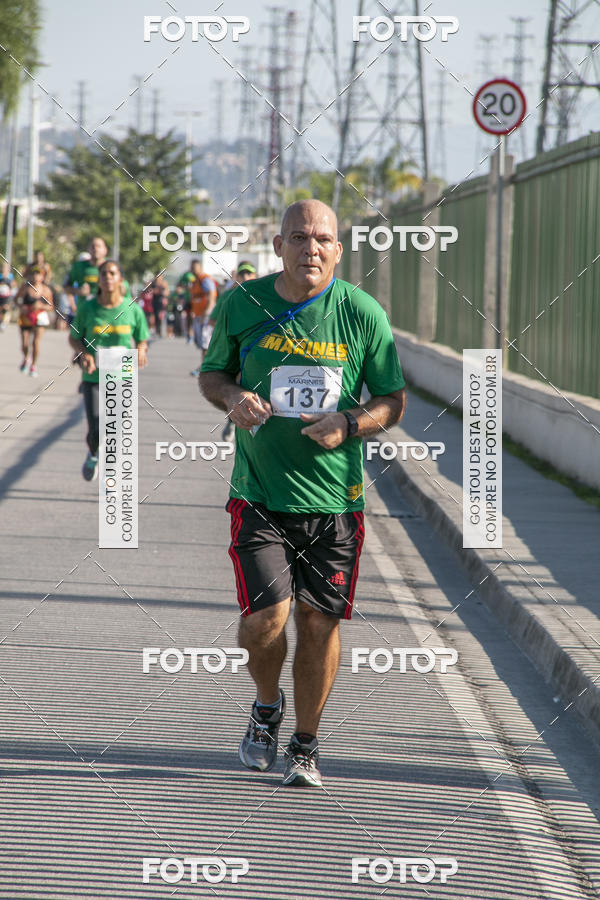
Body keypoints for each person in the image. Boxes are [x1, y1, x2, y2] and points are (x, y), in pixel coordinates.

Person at [199, 199, 406, 787]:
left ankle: (306, 744)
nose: (309, 248)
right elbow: (212, 375)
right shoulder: (243, 303)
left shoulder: (362, 313)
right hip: (259, 495)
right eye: (297, 237)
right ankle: (267, 705)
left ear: (338, 250)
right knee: (266, 620)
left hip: (336, 503)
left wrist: (351, 422)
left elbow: (392, 399)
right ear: (278, 246)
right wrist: (233, 397)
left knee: (319, 623)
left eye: (321, 239)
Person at [69, 260, 149, 481]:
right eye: (103, 273)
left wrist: (142, 350)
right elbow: (74, 338)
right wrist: (85, 354)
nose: (107, 277)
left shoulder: (132, 309)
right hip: (94, 376)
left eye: (112, 273)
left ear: (120, 278)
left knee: (116, 430)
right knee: (96, 429)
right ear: (99, 279)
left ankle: (111, 473)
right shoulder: (88, 308)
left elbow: (142, 338)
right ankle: (93, 453)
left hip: (122, 377)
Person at [209, 261, 258, 442]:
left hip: (258, 347)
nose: (245, 277)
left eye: (249, 274)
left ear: (255, 276)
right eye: (242, 274)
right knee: (238, 384)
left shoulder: (263, 295)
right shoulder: (229, 296)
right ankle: (232, 421)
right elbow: (213, 320)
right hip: (234, 347)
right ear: (236, 277)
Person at [15, 266, 54, 376]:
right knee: (25, 343)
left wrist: (41, 306)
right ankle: (26, 358)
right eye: (33, 274)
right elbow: (15, 299)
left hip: (39, 318)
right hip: (26, 317)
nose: (35, 276)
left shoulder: (46, 290)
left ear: (42, 277)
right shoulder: (25, 288)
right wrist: (21, 306)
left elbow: (51, 306)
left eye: (38, 274)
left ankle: (33, 365)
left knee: (36, 343)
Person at [188, 260, 217, 376]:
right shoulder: (195, 282)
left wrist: (207, 314)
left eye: (195, 268)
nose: (193, 270)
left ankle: (205, 369)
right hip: (199, 316)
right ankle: (205, 366)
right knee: (202, 344)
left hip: (206, 316)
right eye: (192, 268)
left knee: (206, 344)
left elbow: (212, 296)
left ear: (200, 268)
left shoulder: (205, 280)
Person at [0, 261, 15, 332]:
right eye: (3, 267)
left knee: (5, 308)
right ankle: (1, 321)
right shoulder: (0, 275)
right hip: (0, 295)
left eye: (6, 267)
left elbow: (13, 285)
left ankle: (4, 322)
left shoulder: (10, 276)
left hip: (7, 295)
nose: (4, 269)